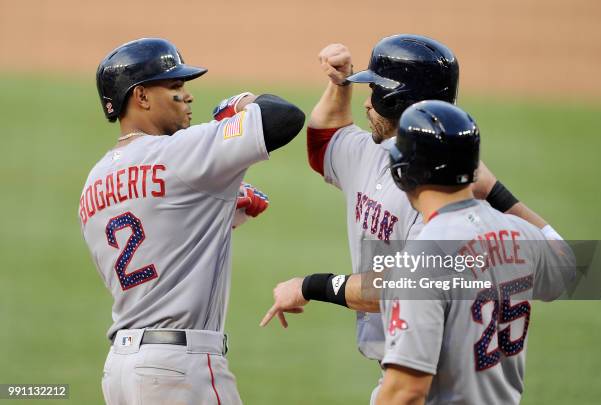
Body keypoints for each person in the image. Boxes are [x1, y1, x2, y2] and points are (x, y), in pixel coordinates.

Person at [260, 34, 562, 401]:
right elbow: (572, 267)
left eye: (372, 90)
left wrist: (313, 285)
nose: (366, 103)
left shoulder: (429, 251)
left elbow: (406, 378)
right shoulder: (513, 232)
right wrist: (495, 190)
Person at [79, 37, 304, 405]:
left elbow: (158, 232)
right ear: (141, 97)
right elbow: (285, 116)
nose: (188, 95)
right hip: (179, 368)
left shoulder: (94, 182)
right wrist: (240, 104)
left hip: (119, 369)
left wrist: (219, 210)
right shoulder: (180, 150)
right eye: (176, 86)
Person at [375, 100, 572, 404]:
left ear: (403, 172)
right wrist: (495, 191)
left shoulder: (421, 262)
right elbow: (568, 266)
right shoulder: (519, 234)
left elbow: (406, 391)